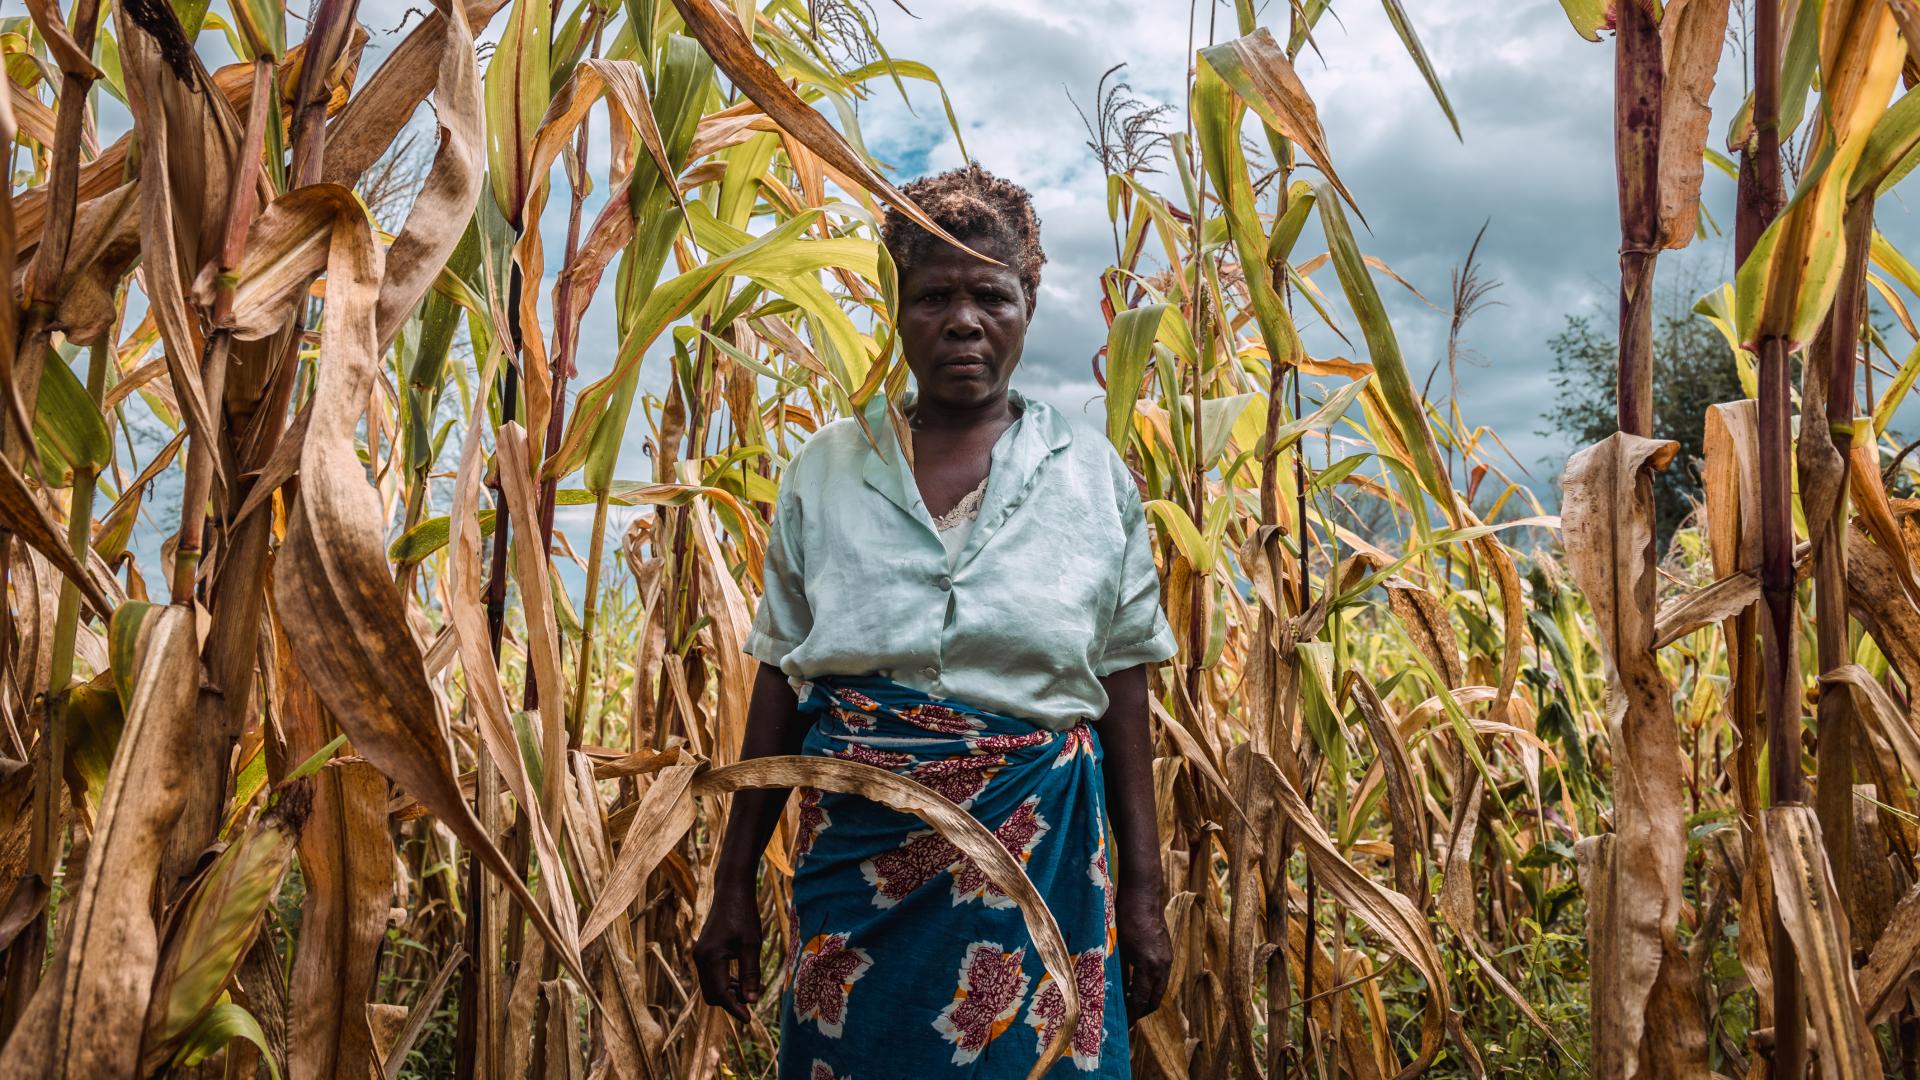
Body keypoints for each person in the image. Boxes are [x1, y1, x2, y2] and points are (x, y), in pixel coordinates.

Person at [693, 162, 1179, 1077]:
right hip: (859, 869)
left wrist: (1145, 897)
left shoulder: (1093, 477)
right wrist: (732, 887)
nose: (963, 320)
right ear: (898, 306)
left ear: (1028, 303)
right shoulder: (826, 470)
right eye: (933, 296)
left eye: (991, 294)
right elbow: (782, 679)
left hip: (1043, 863)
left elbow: (1122, 686)